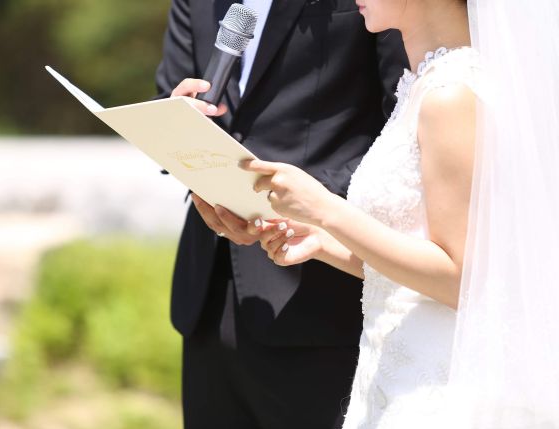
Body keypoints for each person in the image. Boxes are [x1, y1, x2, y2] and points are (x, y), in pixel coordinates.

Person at [243, 0, 559, 427]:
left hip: (440, 389)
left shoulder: (452, 97)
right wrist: (323, 242)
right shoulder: (424, 84)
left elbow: (464, 281)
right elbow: (417, 264)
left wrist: (326, 210)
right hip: (391, 374)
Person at [154, 1, 408, 428]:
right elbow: (167, 102)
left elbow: (403, 127)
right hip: (208, 293)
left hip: (322, 294)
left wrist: (287, 200)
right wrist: (176, 129)